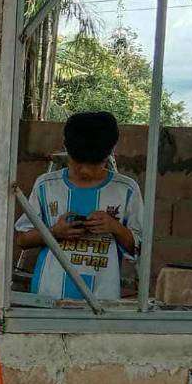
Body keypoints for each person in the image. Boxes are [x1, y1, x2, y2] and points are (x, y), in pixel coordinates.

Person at [14, 111, 143, 302]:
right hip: (49, 295)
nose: (84, 171)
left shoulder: (126, 189)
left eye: (94, 165)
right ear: (66, 148)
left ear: (110, 153)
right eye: (77, 163)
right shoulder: (46, 185)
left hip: (102, 299)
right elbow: (22, 239)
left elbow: (139, 248)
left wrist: (114, 227)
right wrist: (54, 232)